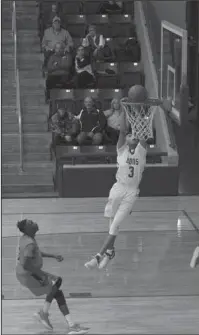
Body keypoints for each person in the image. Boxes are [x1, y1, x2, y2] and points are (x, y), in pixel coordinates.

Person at [84, 86, 149, 270]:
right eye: (130, 135)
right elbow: (122, 131)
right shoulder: (120, 150)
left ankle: (97, 256)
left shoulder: (141, 152)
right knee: (112, 224)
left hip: (131, 193)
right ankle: (110, 252)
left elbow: (141, 131)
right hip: (118, 188)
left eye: (134, 136)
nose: (132, 136)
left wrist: (136, 109)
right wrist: (124, 108)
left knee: (115, 226)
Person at [16, 219, 89, 334]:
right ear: (26, 229)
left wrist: (53, 256)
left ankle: (66, 322)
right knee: (57, 286)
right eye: (31, 223)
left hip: (27, 272)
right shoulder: (29, 243)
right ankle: (50, 316)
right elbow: (25, 263)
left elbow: (34, 254)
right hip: (28, 274)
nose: (34, 223)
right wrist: (41, 275)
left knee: (57, 287)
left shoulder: (27, 238)